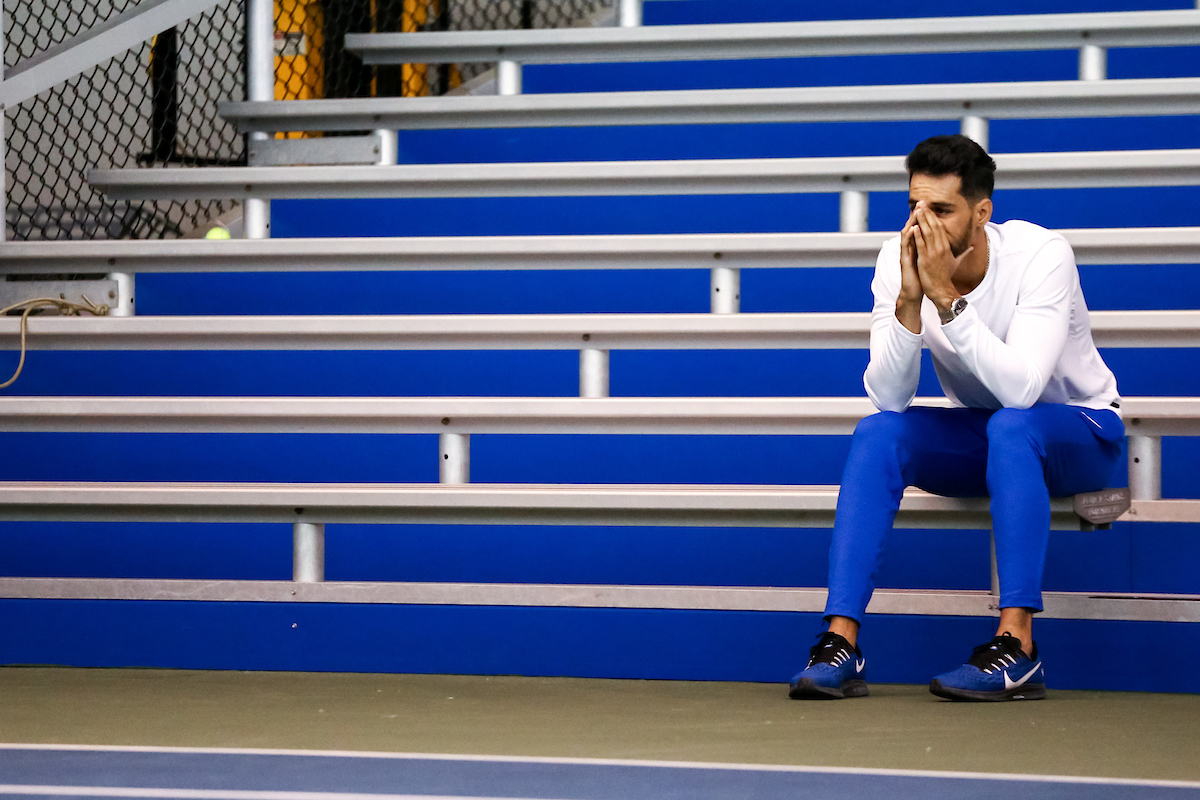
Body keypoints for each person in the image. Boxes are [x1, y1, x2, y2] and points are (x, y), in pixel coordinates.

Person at [788, 134, 1123, 702]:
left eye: (942, 210)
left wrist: (948, 299)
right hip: (993, 437)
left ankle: (1018, 648)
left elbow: (1022, 390)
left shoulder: (1042, 255)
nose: (926, 224)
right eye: (916, 207)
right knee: (878, 434)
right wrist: (909, 306)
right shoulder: (896, 259)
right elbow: (889, 398)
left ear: (981, 213)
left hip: (1081, 431)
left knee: (1013, 426)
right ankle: (840, 640)